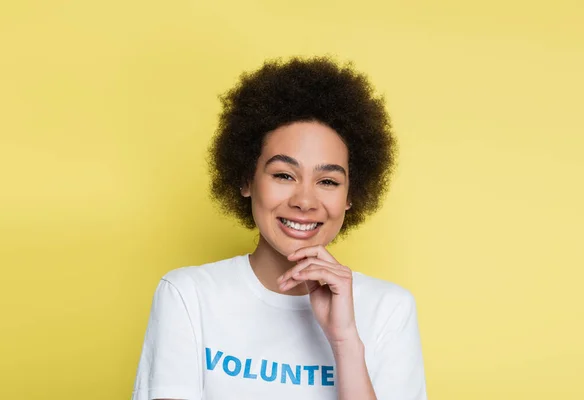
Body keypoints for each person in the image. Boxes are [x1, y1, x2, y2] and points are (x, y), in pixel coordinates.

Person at [132, 56, 427, 400]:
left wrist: (345, 340)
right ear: (246, 179)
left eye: (328, 181)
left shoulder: (389, 309)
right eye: (284, 175)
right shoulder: (188, 296)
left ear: (350, 196)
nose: (305, 200)